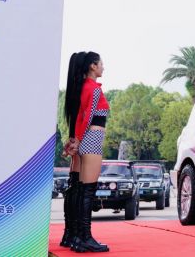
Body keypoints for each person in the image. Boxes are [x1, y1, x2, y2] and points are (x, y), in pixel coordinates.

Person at [63, 52, 110, 253]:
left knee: (79, 188)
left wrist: (75, 139)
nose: (103, 67)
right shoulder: (94, 89)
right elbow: (88, 116)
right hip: (92, 139)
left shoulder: (82, 88)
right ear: (92, 66)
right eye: (101, 64)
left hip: (85, 138)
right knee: (87, 191)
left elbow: (80, 116)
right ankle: (84, 237)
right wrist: (79, 140)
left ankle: (74, 236)